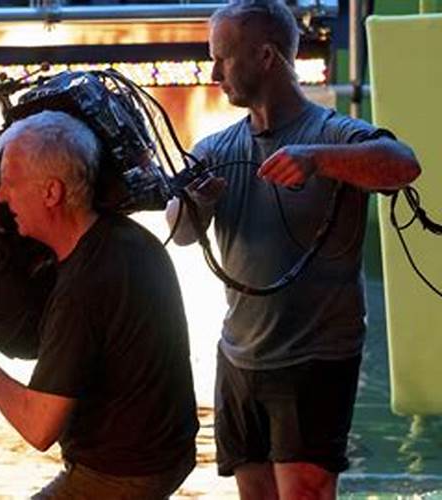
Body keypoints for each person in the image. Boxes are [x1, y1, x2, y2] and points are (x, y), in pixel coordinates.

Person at [165, 1, 422, 499]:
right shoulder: (214, 149)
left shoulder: (331, 133)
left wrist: (317, 161)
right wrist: (194, 202)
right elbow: (179, 233)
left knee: (304, 491)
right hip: (238, 357)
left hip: (315, 357)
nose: (214, 73)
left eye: (223, 58)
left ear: (265, 56)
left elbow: (403, 164)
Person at [0, 110, 199, 499]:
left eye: (10, 183)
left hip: (123, 473)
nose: (1, 196)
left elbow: (39, 428)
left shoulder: (84, 286)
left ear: (51, 192)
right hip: (167, 454)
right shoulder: (126, 239)